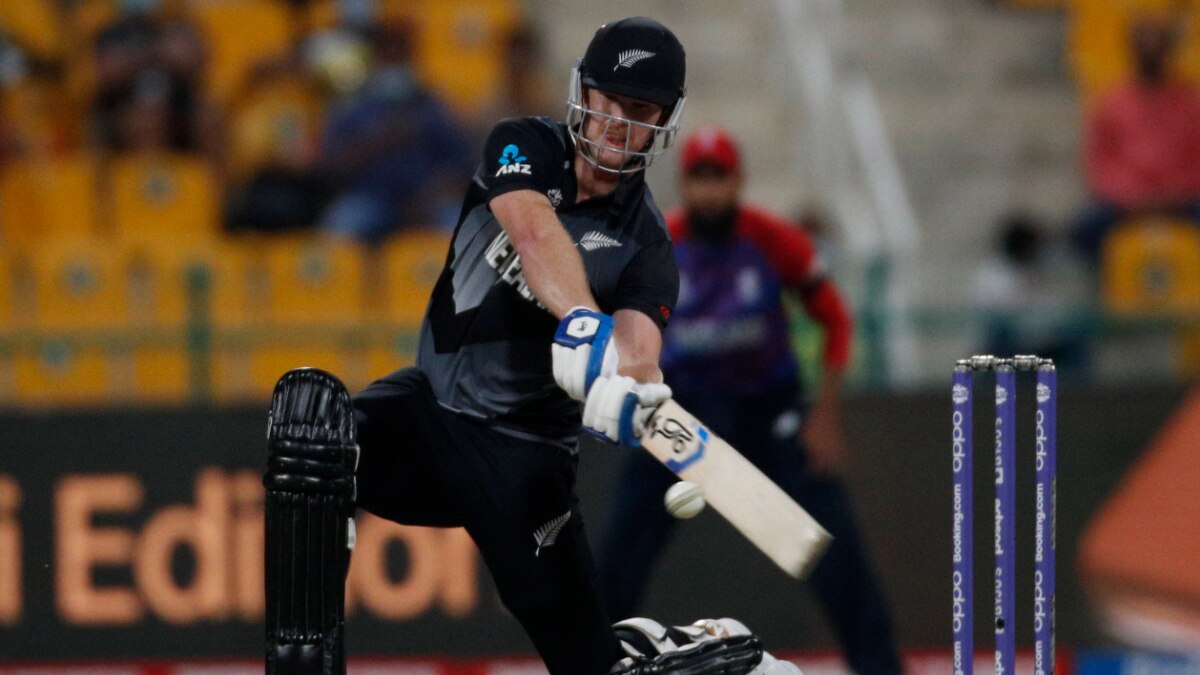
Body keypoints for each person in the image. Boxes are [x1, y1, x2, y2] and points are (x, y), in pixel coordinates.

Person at [262, 18, 794, 675]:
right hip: (432, 416)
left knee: (592, 669)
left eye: (640, 111)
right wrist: (583, 320)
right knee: (313, 432)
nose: (618, 124)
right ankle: (302, 665)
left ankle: (692, 648)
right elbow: (533, 231)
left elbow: (639, 349)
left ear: (664, 121)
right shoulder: (523, 144)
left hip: (527, 460)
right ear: (582, 92)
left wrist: (631, 389)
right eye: (608, 100)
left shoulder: (649, 245)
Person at [595, 127, 905, 674]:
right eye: (700, 177)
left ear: (738, 181)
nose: (710, 190)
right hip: (682, 416)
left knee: (830, 546)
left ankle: (880, 668)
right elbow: (618, 328)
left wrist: (824, 418)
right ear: (684, 183)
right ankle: (587, 662)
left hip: (769, 412)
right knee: (622, 546)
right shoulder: (660, 244)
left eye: (719, 176)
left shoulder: (773, 239)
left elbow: (835, 320)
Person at [1073, 14, 1200, 262]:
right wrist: (1132, 197)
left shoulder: (1190, 103)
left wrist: (1174, 195)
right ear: (1132, 50)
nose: (1150, 54)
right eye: (1144, 47)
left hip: (1182, 201)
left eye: (1157, 47)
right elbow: (1100, 163)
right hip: (1125, 203)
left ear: (1168, 50)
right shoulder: (1111, 103)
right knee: (1084, 232)